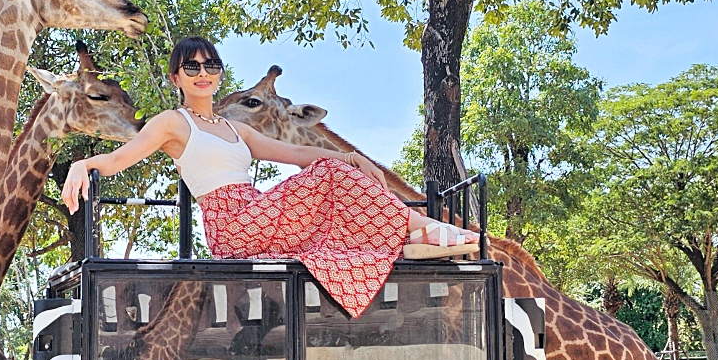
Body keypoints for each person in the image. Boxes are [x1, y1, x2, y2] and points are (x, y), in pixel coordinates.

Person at [61, 36, 478, 318]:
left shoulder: (236, 129)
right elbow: (122, 158)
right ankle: (420, 228)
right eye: (191, 66)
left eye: (210, 65)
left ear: (219, 73)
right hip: (231, 225)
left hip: (257, 211)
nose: (202, 72)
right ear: (176, 77)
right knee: (329, 173)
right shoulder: (172, 122)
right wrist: (85, 165)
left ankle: (411, 236)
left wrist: (351, 157)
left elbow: (297, 154)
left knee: (329, 167)